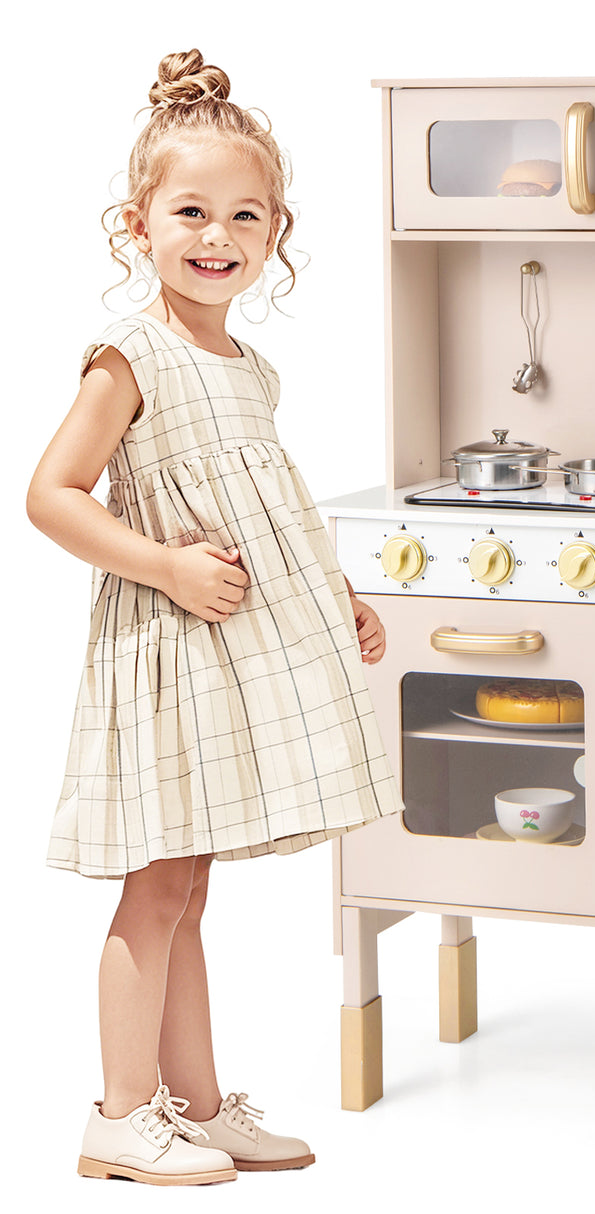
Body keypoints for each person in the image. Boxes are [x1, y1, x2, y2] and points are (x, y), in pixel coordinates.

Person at [26, 49, 400, 1186]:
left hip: (223, 661)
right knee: (156, 879)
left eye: (244, 214)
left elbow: (271, 502)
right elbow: (50, 494)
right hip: (166, 649)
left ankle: (191, 1101)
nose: (216, 235)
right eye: (190, 210)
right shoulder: (129, 355)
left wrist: (335, 592)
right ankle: (120, 1113)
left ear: (276, 228)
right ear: (136, 221)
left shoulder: (246, 365)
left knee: (191, 881)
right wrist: (163, 567)